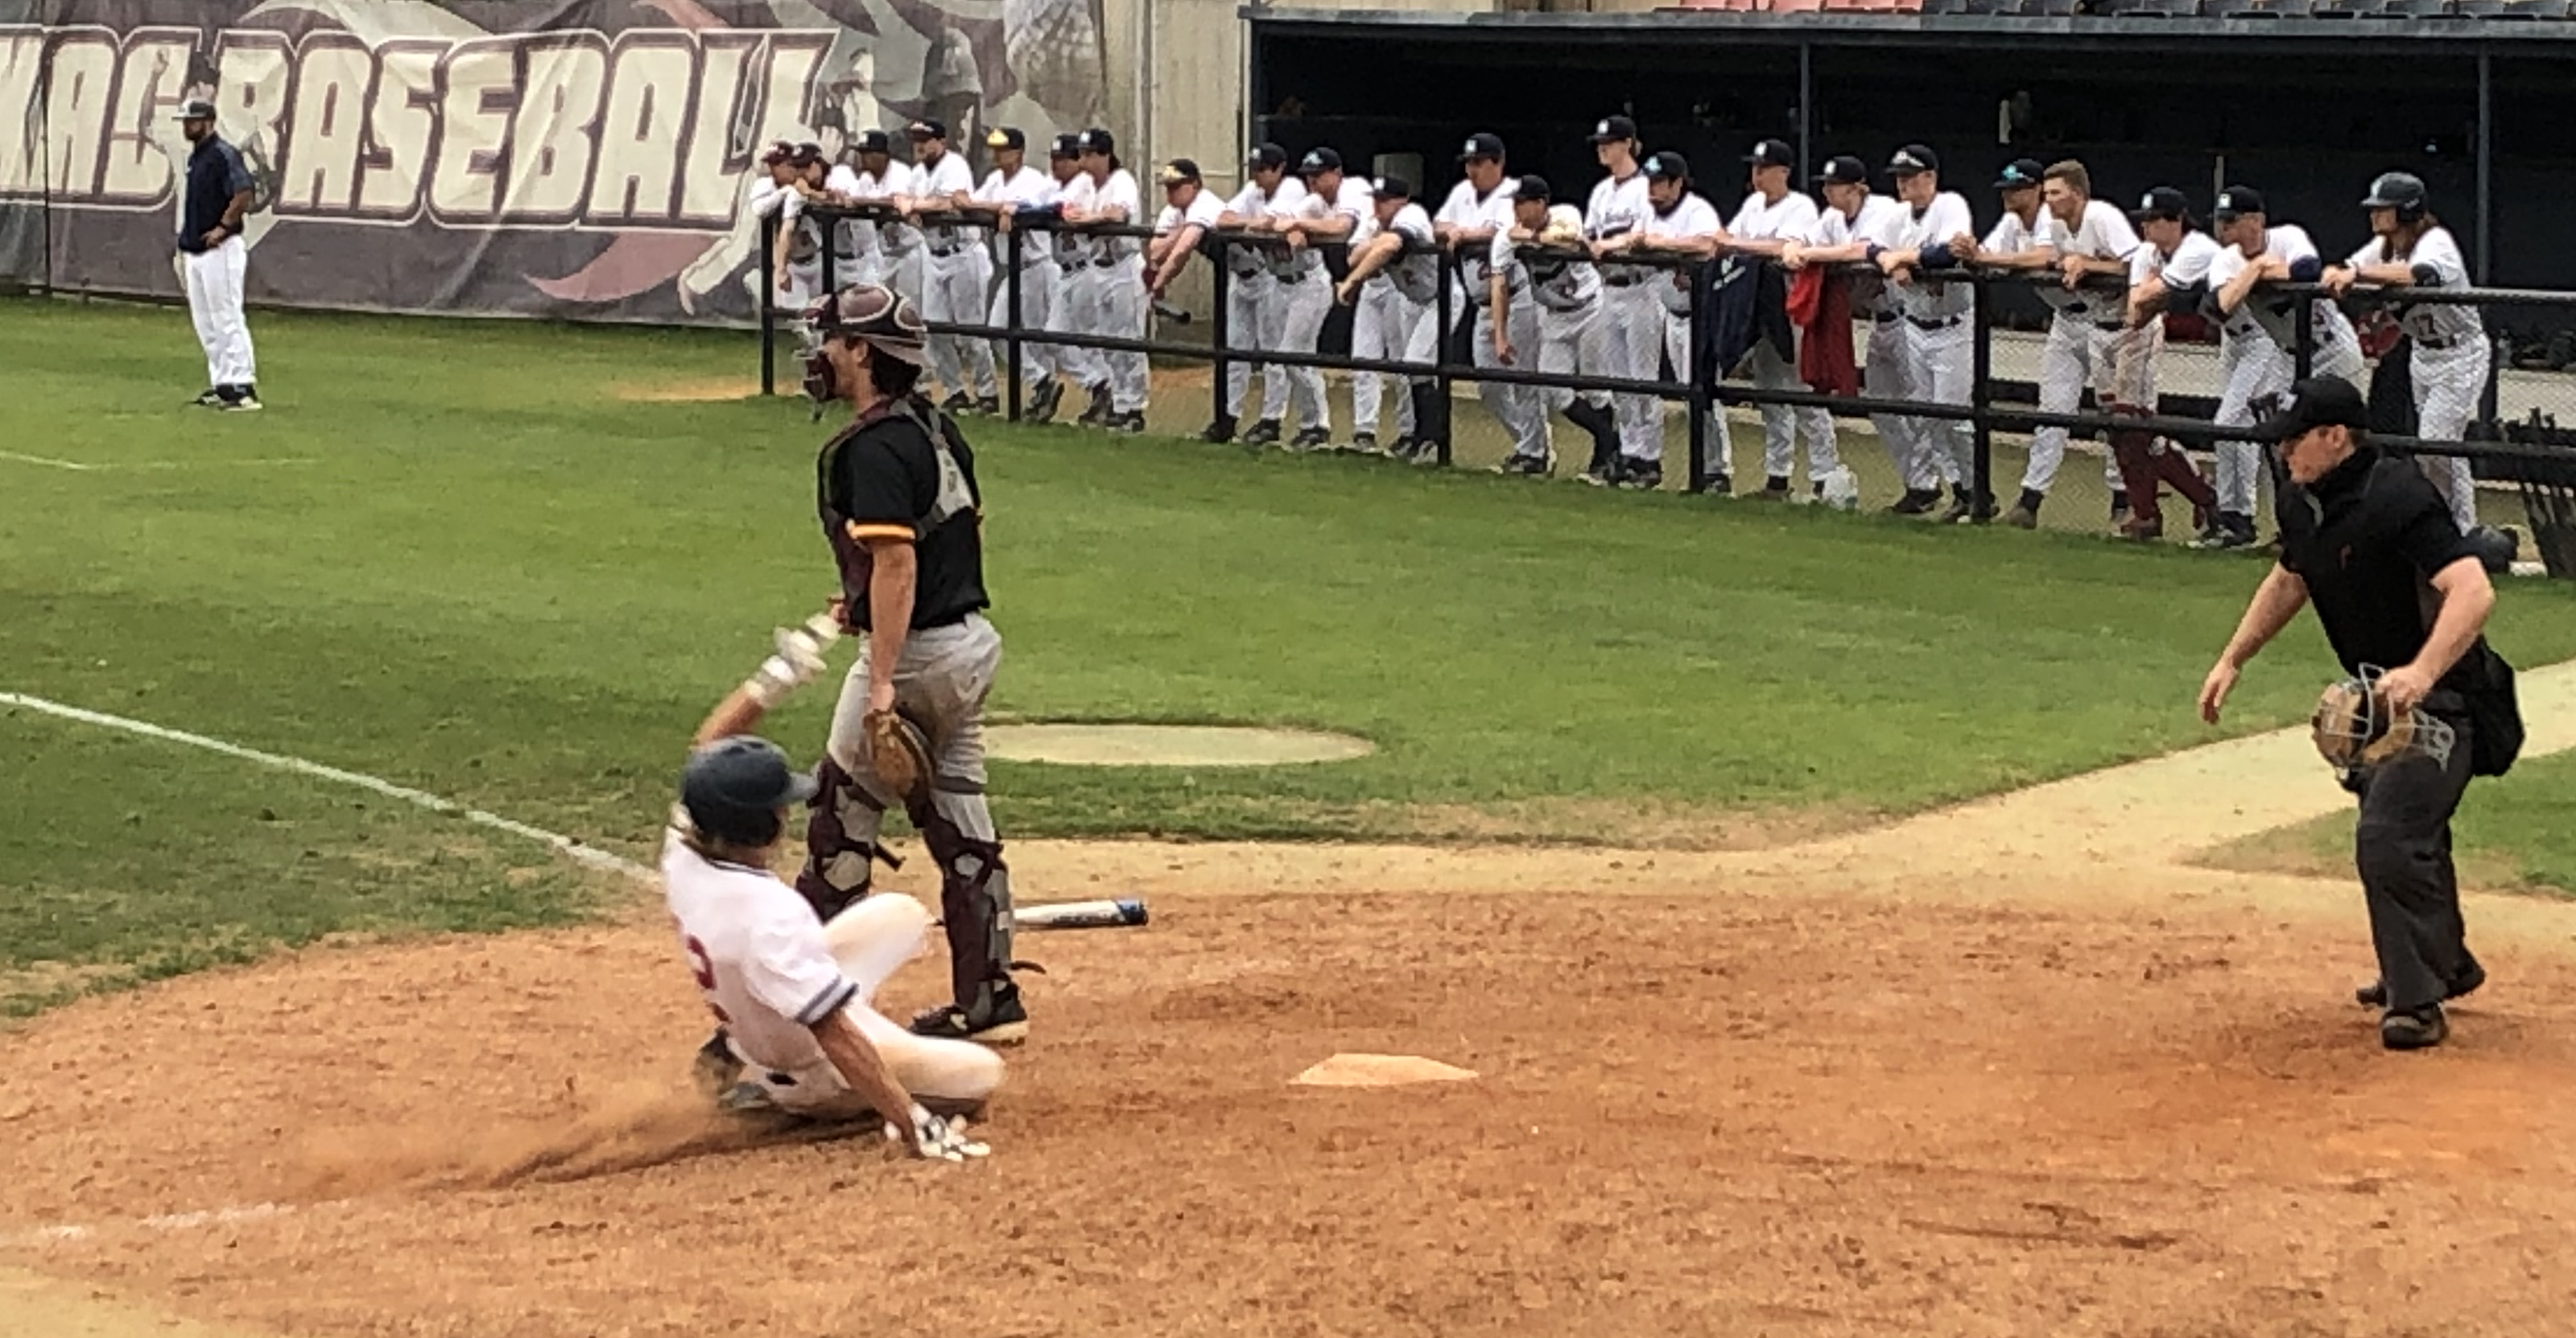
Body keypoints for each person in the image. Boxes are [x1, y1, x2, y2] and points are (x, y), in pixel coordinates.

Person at [2198, 377, 2518, 1051]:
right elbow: (2292, 577)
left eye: (2294, 440)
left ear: (2335, 437)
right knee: (2407, 832)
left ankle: (2417, 1002)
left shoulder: (2398, 497)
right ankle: (2445, 963)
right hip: (2380, 704)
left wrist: (2423, 672)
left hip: (2447, 701)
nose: (2283, 452)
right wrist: (2234, 658)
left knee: (2389, 835)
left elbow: (2472, 589)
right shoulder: (2303, 502)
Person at [791, 282, 1032, 1046]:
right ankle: (991, 998)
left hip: (918, 657)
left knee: (841, 820)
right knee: (962, 822)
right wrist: (859, 599)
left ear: (863, 353)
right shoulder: (934, 425)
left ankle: (809, 1016)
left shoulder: (870, 446)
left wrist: (885, 675)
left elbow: (896, 560)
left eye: (833, 340)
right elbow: (961, 531)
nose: (821, 353)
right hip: (969, 648)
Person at [667, 633, 1002, 1158]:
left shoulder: (686, 848)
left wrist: (779, 675)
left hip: (763, 1012)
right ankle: (786, 1104)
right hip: (806, 1067)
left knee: (903, 914)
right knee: (981, 1075)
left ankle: (741, 1048)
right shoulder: (767, 915)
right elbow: (836, 1036)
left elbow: (707, 751)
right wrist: (915, 1124)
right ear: (760, 825)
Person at [2322, 171, 2487, 535]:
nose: (2374, 215)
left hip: (2460, 350)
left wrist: (2359, 273)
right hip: (2422, 355)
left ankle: (2455, 529)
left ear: (2407, 212)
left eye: (2384, 209)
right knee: (2439, 448)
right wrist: (2342, 271)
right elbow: (2347, 268)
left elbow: (2420, 274)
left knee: (2433, 443)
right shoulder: (2382, 248)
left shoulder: (2435, 239)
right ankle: (2457, 530)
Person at [2199, 185, 2363, 551]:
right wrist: (2258, 269)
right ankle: (2292, 530)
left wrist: (2255, 273)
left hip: (2332, 349)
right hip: (2287, 355)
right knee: (2282, 441)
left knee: (2340, 443)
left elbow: (2307, 270)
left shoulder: (2288, 236)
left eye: (2231, 221)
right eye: (2220, 221)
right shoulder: (2226, 259)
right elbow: (2219, 306)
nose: (2223, 229)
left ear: (2256, 221)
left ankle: (2345, 528)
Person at [1785, 156, 1919, 511]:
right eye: (1826, 185)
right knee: (1880, 407)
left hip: (1911, 320)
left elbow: (1860, 250)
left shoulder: (1882, 209)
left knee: (1922, 408)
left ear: (1856, 187)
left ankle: (1955, 485)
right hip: (1882, 323)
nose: (1828, 191)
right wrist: (1795, 248)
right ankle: (1920, 485)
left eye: (1835, 185)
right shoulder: (1832, 217)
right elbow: (1798, 245)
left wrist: (1810, 253)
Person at [1722, 138, 1839, 502]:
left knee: (1803, 394)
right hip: (1758, 311)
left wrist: (1741, 246)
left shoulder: (1800, 206)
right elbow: (1727, 236)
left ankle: (1826, 476)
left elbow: (1785, 248)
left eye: (1763, 168)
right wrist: (1736, 244)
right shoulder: (1753, 204)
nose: (1756, 174)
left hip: (1793, 309)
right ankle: (1778, 479)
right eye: (1754, 167)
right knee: (1770, 395)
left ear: (1783, 172)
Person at [1948, 157, 2061, 527]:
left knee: (2123, 422)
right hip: (2069, 320)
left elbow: (2045, 257)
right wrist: (1969, 251)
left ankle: (2128, 503)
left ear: (2037, 190)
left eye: (2018, 188)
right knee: (2052, 413)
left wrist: (1988, 257)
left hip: (2114, 318)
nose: (2009, 195)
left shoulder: (2050, 217)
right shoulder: (2013, 222)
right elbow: (1988, 260)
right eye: (2006, 189)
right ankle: (2030, 501)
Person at [1874, 145, 1983, 522]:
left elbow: (1951, 252)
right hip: (1914, 326)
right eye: (1899, 176)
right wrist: (1888, 262)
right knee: (1925, 416)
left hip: (1952, 326)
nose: (1903, 183)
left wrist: (1904, 259)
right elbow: (1872, 248)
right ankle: (1961, 491)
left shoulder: (1950, 204)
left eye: (1911, 175)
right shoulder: (1897, 215)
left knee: (1954, 416)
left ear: (1930, 178)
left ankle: (1978, 489)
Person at [1604, 150, 1722, 492]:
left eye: (1659, 182)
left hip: (1699, 318)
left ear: (1677, 183)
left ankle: (1716, 470)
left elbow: (1708, 243)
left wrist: (1661, 243)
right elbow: (1634, 238)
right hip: (1671, 313)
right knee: (1645, 386)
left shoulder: (1696, 209)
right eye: (1650, 182)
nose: (1653, 189)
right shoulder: (1649, 213)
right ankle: (1638, 458)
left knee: (1702, 398)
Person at [2114, 186, 2223, 542]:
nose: (2146, 228)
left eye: (2154, 220)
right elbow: (2135, 311)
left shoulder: (2198, 248)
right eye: (2144, 221)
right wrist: (2148, 292)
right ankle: (2151, 512)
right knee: (2128, 429)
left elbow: (2146, 300)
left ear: (2176, 221)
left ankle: (2211, 499)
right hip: (2154, 334)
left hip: (2251, 335)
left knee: (2135, 426)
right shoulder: (2148, 251)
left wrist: (2149, 292)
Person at [1502, 177, 1622, 478]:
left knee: (1597, 386)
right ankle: (1610, 440)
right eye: (1514, 203)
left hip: (1589, 309)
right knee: (1554, 388)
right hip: (1554, 315)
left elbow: (1567, 234)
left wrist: (1534, 238)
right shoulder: (1515, 227)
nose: (1516, 209)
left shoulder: (1564, 212)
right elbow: (1508, 239)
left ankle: (1605, 458)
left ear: (1540, 203)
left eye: (1522, 203)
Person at [1435, 133, 1542, 467]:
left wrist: (1462, 233)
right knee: (1489, 388)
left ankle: (1534, 453)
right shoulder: (1462, 193)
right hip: (1481, 304)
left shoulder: (1513, 193)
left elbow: (1504, 231)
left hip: (1517, 297)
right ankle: (1528, 442)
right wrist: (1452, 230)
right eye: (1468, 163)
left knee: (1524, 379)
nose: (1472, 169)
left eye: (1479, 162)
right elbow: (1438, 223)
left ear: (1498, 163)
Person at [1335, 175, 1443, 462]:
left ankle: (1432, 440)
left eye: (1384, 201)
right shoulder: (1376, 224)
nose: (1378, 207)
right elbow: (1353, 257)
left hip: (1441, 297)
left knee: (1417, 362)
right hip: (1413, 300)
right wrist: (1375, 240)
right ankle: (1424, 438)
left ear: (1401, 201)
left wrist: (1351, 282)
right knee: (1413, 366)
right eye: (1376, 200)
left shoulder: (1413, 214)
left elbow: (1388, 248)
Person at [956, 127, 1057, 416]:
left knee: (1035, 339)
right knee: (999, 330)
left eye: (1004, 150)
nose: (997, 155)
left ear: (1018, 152)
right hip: (1014, 269)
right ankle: (1041, 383)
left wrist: (1003, 208)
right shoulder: (995, 180)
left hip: (1036, 266)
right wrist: (996, 207)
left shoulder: (1033, 180)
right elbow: (970, 205)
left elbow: (1025, 209)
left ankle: (1043, 395)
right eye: (995, 150)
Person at [898, 119, 996, 414]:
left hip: (964, 254)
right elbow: (902, 200)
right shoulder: (917, 172)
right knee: (933, 328)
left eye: (926, 139)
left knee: (970, 332)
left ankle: (988, 393)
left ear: (942, 142)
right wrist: (910, 206)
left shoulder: (954, 165)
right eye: (916, 138)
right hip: (934, 254)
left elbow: (947, 204)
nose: (920, 145)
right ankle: (955, 391)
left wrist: (916, 206)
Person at [1584, 116, 1663, 480]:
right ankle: (1629, 454)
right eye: (1601, 142)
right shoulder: (1601, 190)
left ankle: (1650, 459)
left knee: (1643, 380)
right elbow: (1588, 236)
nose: (1603, 147)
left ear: (1628, 144)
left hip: (1640, 288)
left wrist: (1608, 245)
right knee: (1618, 380)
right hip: (1609, 290)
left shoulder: (1646, 186)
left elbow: (1641, 236)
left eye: (1611, 141)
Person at [1282, 147, 1374, 449]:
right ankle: (1320, 425)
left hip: (1391, 279)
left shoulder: (1354, 188)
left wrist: (1301, 226)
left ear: (1336, 173)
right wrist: (1292, 227)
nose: (1312, 182)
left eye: (1318, 175)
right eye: (1308, 176)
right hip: (1362, 282)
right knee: (1295, 354)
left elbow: (1341, 228)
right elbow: (1281, 224)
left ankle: (1413, 435)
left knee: (1405, 366)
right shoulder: (1316, 200)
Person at [1214, 144, 1304, 448]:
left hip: (1274, 276)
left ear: (1279, 168)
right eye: (1254, 169)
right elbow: (1223, 219)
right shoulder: (1253, 191)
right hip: (1244, 278)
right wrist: (1248, 224)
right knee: (1235, 350)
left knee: (1271, 352)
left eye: (1264, 169)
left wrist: (1251, 225)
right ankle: (1228, 416)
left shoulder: (1291, 187)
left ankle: (1271, 419)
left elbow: (1269, 224)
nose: (1258, 175)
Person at [1061, 129, 1147, 433]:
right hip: (1098, 266)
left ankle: (1134, 408)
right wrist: (1086, 216)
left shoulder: (1121, 180)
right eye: (1082, 154)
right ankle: (1119, 404)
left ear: (1105, 155)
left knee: (1129, 340)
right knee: (1107, 341)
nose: (1083, 161)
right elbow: (1066, 209)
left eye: (1089, 154)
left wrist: (1088, 218)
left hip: (1124, 265)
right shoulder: (1083, 183)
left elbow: (1117, 214)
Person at [175, 98, 260, 411]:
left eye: (192, 121)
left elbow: (244, 192)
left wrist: (224, 227)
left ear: (209, 121)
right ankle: (222, 382)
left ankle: (242, 385)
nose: (187, 126)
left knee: (226, 315)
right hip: (196, 248)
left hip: (220, 248)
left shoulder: (223, 153)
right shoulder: (197, 157)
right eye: (185, 121)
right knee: (205, 320)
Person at [1034, 133, 1096, 424]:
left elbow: (1056, 210)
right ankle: (1098, 385)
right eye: (1054, 159)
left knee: (1090, 339)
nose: (1057, 165)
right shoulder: (1051, 183)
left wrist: (1025, 212)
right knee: (1053, 336)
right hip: (1066, 273)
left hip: (1088, 269)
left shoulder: (1084, 183)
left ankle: (1113, 401)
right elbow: (1030, 204)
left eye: (1064, 159)